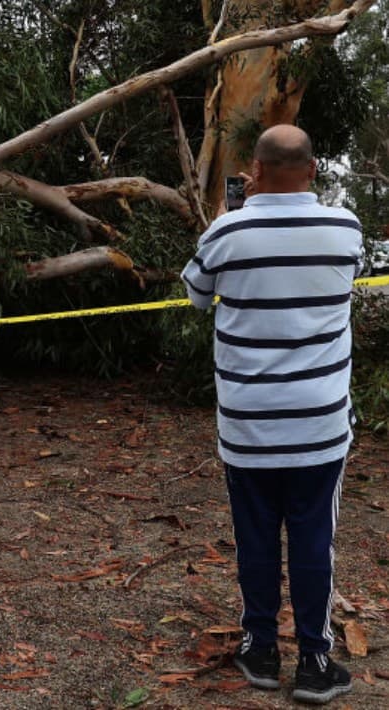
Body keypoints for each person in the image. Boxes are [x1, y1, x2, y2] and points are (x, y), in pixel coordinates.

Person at [182, 125, 364, 705]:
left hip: (248, 425)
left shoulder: (225, 231)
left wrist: (232, 211)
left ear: (255, 171)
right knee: (315, 539)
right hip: (318, 424)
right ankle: (314, 659)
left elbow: (196, 295)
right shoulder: (346, 227)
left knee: (255, 536)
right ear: (312, 169)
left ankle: (260, 648)